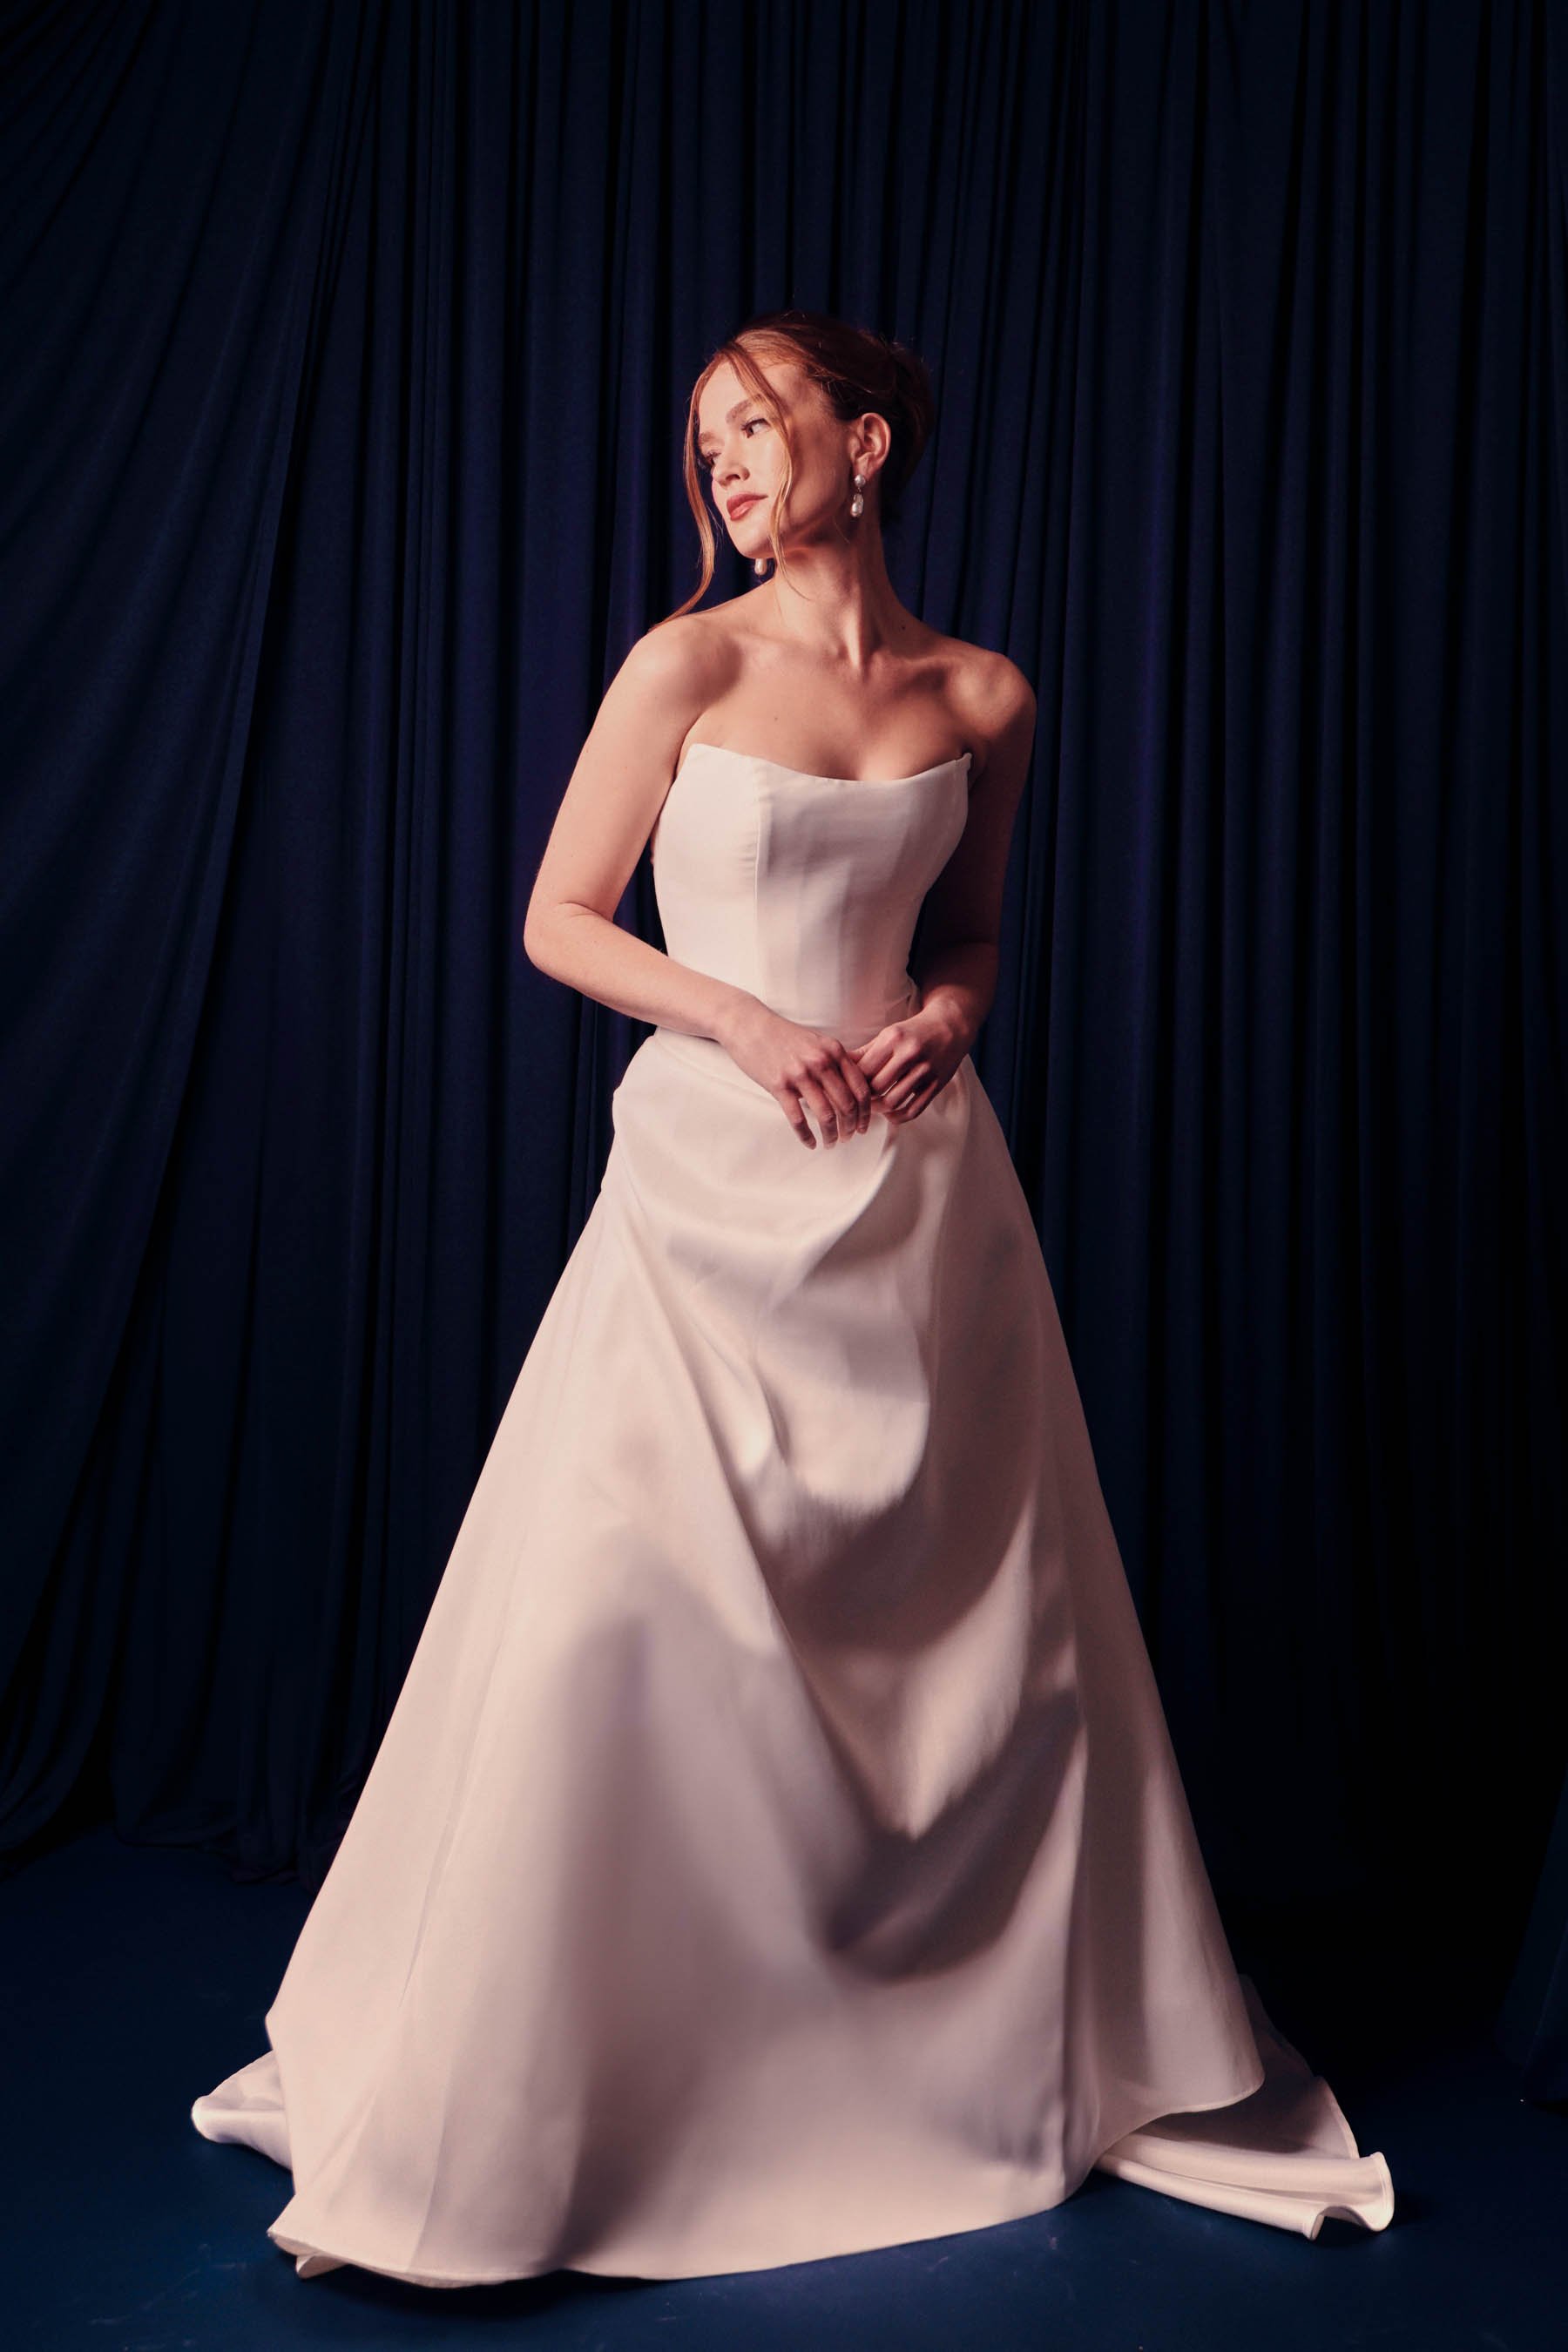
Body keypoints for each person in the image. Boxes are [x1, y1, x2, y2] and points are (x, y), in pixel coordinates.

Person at [191, 309, 1395, 2287]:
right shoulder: (685, 661)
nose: (727, 464)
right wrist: (746, 1019)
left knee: (974, 1665)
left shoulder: (988, 695)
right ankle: (580, 2089)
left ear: (871, 438)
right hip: (707, 1196)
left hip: (924, 1214)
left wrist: (937, 1011)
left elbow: (982, 937)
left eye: (758, 424)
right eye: (708, 439)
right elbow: (556, 917)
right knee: (617, 1625)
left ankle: (926, 2062)